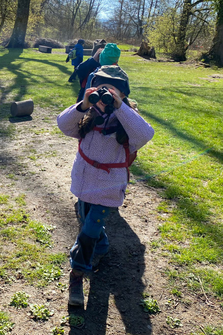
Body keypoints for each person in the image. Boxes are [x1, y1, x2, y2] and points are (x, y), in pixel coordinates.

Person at [57, 66, 155, 306]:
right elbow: (63, 124)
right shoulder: (87, 115)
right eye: (101, 90)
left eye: (112, 92)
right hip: (84, 182)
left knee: (88, 231)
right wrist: (83, 104)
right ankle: (103, 244)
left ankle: (77, 276)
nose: (104, 99)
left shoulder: (127, 120)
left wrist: (119, 105)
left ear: (123, 95)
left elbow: (145, 134)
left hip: (107, 186)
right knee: (87, 219)